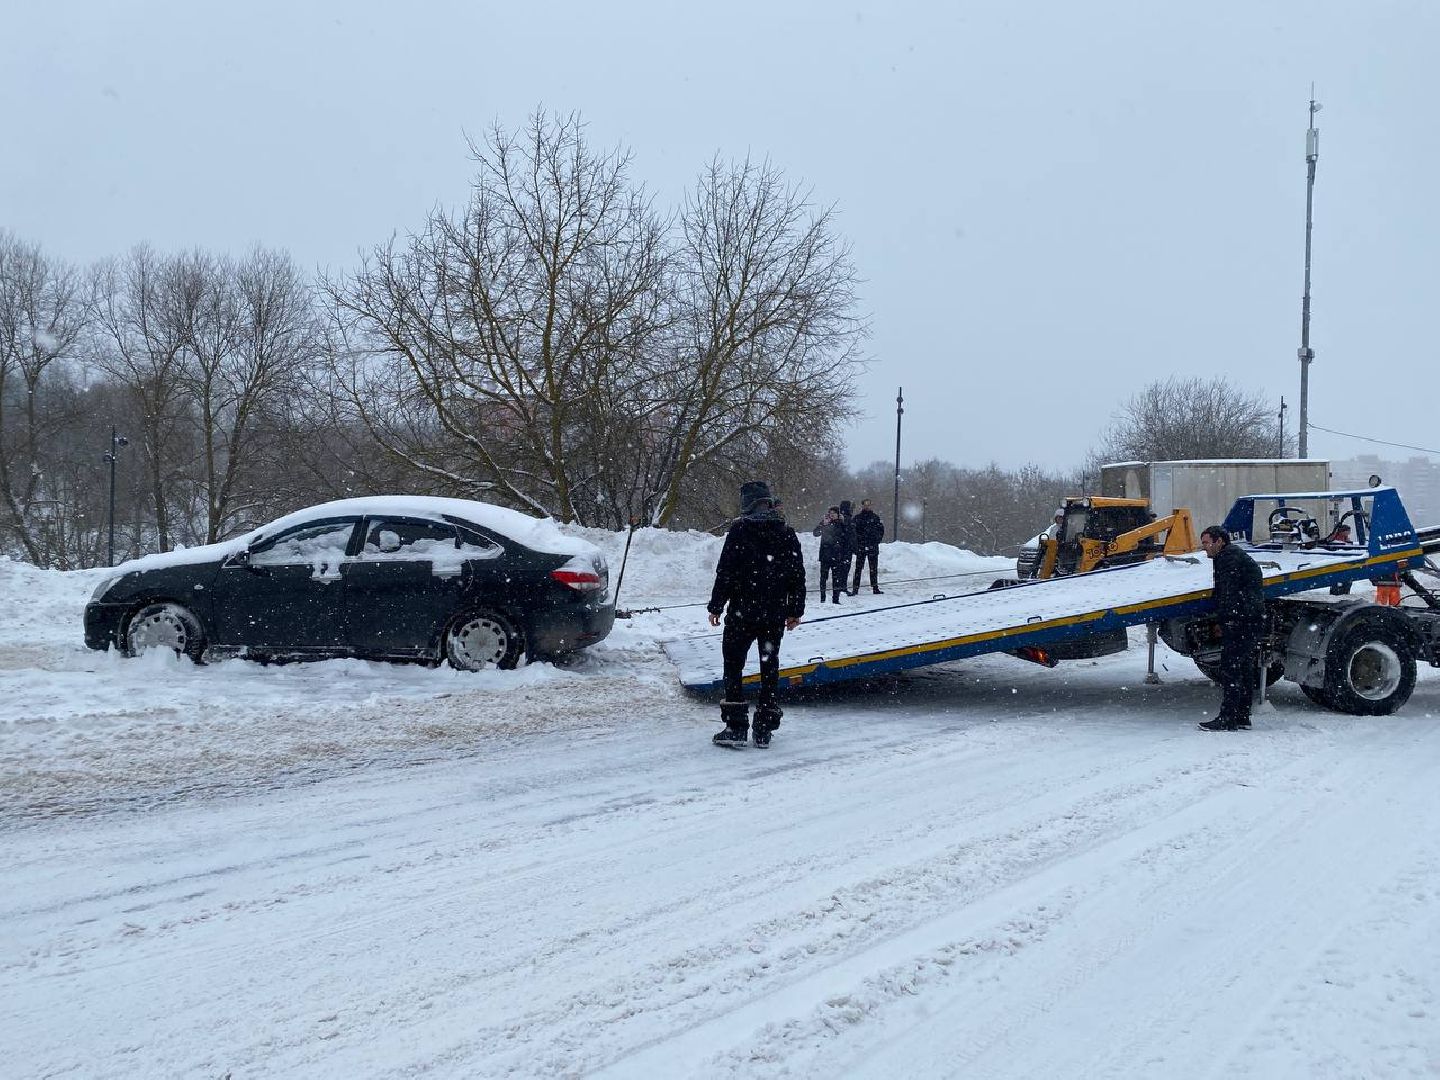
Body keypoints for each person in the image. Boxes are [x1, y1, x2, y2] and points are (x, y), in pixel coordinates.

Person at [706, 480, 806, 748]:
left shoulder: (739, 531)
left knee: (733, 665)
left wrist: (716, 605)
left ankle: (736, 727)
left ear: (746, 505)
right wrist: (795, 610)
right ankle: (764, 729)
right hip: (773, 614)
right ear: (769, 502)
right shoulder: (786, 533)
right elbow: (797, 576)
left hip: (741, 613)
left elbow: (725, 572)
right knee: (769, 666)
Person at [1197, 525, 1267, 732]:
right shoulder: (1230, 555)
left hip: (1241, 620)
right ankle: (1242, 716)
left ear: (1220, 541)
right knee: (1243, 668)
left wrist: (1224, 621)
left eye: (1207, 543)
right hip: (1249, 618)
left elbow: (1228, 594)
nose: (1205, 548)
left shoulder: (1228, 559)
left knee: (1231, 669)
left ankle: (1228, 718)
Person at [812, 506, 849, 604]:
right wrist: (823, 525)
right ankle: (822, 598)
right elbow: (815, 533)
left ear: (838, 514)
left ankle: (835, 599)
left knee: (836, 578)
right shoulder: (825, 522)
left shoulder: (841, 524)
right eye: (830, 513)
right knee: (823, 578)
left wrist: (843, 523)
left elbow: (846, 537)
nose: (832, 515)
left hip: (837, 556)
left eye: (834, 513)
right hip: (825, 555)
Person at [849, 498, 885, 594]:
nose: (867, 506)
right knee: (858, 568)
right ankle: (855, 589)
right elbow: (853, 532)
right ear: (862, 506)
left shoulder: (875, 518)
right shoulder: (857, 518)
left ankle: (875, 588)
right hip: (861, 547)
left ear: (871, 506)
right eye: (865, 505)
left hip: (872, 546)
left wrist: (876, 540)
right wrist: (857, 543)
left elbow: (881, 530)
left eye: (869, 505)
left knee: (873, 568)